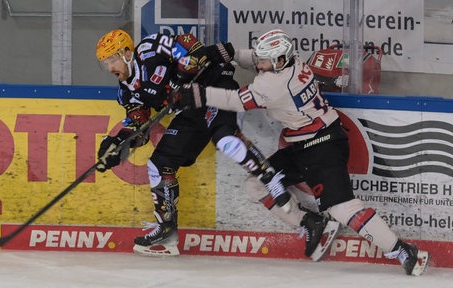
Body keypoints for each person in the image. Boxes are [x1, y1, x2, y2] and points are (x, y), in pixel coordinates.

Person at [174, 29, 430, 275]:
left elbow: (236, 101)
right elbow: (253, 57)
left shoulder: (275, 84)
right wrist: (229, 52)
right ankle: (311, 222)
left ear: (280, 59)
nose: (259, 64)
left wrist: (199, 94)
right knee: (256, 186)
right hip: (304, 143)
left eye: (264, 60)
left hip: (323, 146)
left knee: (342, 208)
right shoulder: (289, 64)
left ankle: (403, 251)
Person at [94, 29, 337, 259]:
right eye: (105, 64)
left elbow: (190, 44)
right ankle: (166, 231)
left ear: (127, 53)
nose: (109, 68)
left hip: (214, 85)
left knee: (225, 139)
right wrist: (117, 144)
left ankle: (269, 177)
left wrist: (185, 69)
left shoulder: (148, 49)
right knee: (160, 164)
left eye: (111, 60)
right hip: (190, 108)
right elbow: (140, 125)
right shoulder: (126, 91)